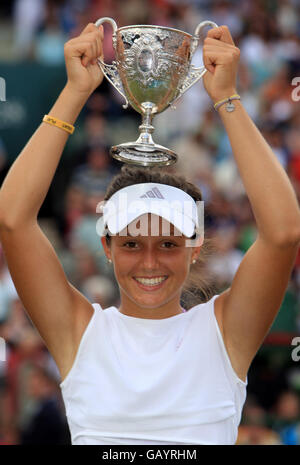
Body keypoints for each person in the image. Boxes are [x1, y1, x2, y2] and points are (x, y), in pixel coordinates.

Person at [0, 22, 299, 446]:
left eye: (168, 244)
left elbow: (284, 234)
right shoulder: (80, 332)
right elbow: (12, 219)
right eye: (132, 244)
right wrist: (74, 93)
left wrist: (228, 99)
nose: (150, 262)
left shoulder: (225, 332)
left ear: (194, 249)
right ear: (107, 247)